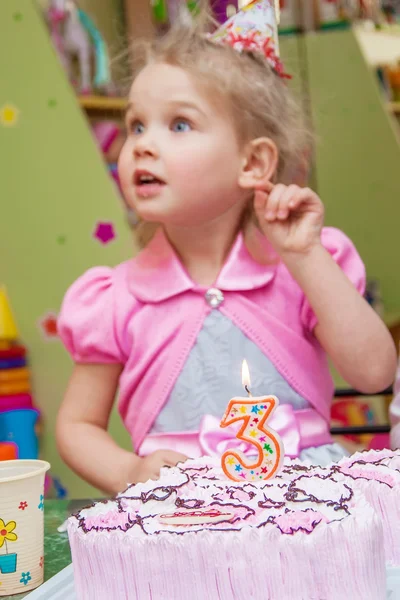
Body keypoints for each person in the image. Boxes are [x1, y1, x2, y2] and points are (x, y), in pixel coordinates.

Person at [56, 0, 397, 494]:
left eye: (178, 125)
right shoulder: (114, 298)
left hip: (302, 506)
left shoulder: (301, 267)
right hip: (182, 513)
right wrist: (129, 472)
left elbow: (374, 373)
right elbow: (77, 426)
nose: (143, 145)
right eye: (136, 125)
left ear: (254, 162)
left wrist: (305, 258)